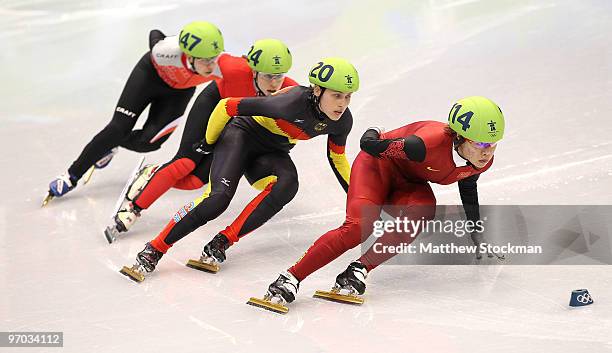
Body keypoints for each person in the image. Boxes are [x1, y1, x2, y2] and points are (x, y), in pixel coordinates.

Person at [249, 96, 506, 313]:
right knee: (358, 227)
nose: (487, 152)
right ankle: (289, 278)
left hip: (409, 182)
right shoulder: (424, 144)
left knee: (424, 209)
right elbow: (369, 145)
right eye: (480, 143)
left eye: (493, 144)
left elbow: (469, 193)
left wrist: (478, 240)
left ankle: (357, 270)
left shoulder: (480, 161)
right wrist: (374, 130)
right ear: (459, 137)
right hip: (377, 167)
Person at [120, 57, 360, 282]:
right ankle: (155, 248)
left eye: (348, 97)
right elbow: (227, 106)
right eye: (337, 95)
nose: (342, 104)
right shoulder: (289, 103)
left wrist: (358, 196)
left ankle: (222, 242)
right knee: (217, 200)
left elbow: (337, 158)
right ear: (317, 90)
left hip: (271, 151)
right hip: (240, 136)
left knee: (288, 185)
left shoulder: (342, 121)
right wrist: (209, 142)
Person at [105, 39, 298, 238]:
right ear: (254, 70)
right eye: (268, 76)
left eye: (279, 76)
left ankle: (152, 174)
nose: (275, 83)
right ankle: (133, 208)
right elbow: (208, 54)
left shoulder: (289, 90)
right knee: (185, 162)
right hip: (213, 105)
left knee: (195, 182)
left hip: (233, 123)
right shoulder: (233, 68)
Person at [43, 21, 224, 206]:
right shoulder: (164, 51)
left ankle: (110, 145)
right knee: (117, 129)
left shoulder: (222, 66)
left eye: (214, 58)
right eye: (204, 59)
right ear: (189, 55)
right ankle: (71, 176)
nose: (210, 65)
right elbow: (155, 31)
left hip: (178, 94)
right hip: (149, 77)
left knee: (149, 143)